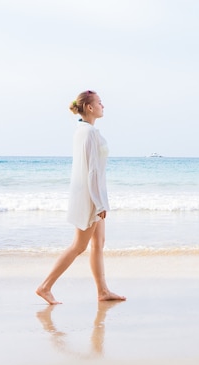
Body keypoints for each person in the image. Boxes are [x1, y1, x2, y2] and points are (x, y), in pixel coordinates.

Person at [36, 90, 126, 305]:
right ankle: (45, 286)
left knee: (98, 243)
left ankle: (102, 290)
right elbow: (92, 171)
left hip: (91, 194)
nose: (103, 106)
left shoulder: (83, 130)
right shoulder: (89, 133)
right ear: (89, 107)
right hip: (90, 198)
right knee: (79, 246)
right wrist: (99, 203)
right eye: (100, 103)